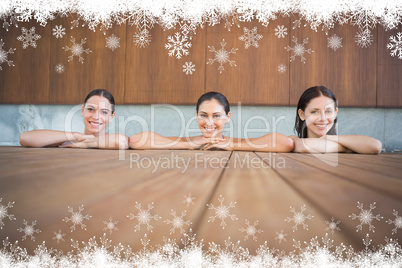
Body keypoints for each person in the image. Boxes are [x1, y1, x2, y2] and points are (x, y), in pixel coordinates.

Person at [129, 91, 294, 152]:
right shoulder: (187, 142)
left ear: (227, 117)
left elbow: (285, 143)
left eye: (216, 116)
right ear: (196, 116)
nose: (209, 122)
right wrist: (188, 145)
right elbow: (136, 140)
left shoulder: (235, 142)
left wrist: (231, 146)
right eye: (203, 115)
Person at [19, 89, 129, 149]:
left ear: (111, 116)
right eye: (90, 109)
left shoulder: (116, 140)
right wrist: (76, 136)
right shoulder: (71, 141)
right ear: (82, 110)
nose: (96, 117)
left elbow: (121, 142)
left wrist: (86, 143)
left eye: (104, 112)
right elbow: (25, 138)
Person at [289, 86, 382, 154]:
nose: (323, 118)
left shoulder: (338, 140)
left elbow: (376, 146)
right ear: (302, 114)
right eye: (314, 112)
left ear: (335, 113)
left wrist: (328, 138)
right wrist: (346, 148)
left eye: (328, 111)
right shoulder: (293, 140)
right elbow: (304, 146)